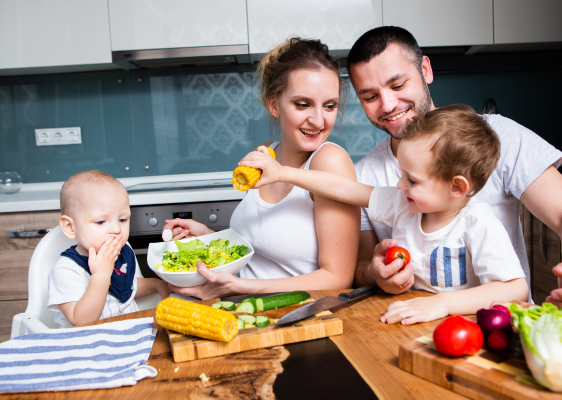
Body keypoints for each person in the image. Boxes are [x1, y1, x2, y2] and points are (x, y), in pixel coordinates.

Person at [346, 26, 562, 312]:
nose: (388, 105)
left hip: (503, 326)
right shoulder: (364, 173)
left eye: (398, 85)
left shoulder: (498, 135)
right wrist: (375, 274)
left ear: (425, 70)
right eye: (370, 97)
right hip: (414, 329)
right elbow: (361, 267)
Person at [240, 104, 529, 324]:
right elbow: (345, 189)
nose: (400, 184)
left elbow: (515, 289)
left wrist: (443, 304)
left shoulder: (477, 223)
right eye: (402, 174)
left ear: (456, 187)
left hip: (464, 328)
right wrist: (285, 173)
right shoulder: (404, 205)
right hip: (415, 323)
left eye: (412, 180)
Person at [162, 38, 360, 299]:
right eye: (303, 104)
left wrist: (237, 287)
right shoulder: (267, 152)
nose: (318, 120)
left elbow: (337, 278)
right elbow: (261, 252)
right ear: (274, 105)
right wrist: (209, 237)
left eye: (330, 105)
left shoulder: (329, 162)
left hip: (293, 318)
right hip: (242, 313)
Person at [47, 171, 170, 328]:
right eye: (100, 222)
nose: (116, 229)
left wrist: (156, 285)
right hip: (87, 346)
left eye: (122, 219)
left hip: (128, 336)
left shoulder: (121, 253)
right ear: (71, 227)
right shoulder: (67, 270)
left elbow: (124, 288)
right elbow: (81, 321)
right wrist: (101, 274)